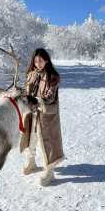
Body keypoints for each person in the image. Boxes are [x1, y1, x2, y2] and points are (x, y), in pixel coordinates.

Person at [20, 48, 64, 186]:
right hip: (31, 113)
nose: (37, 63)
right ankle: (31, 162)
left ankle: (49, 170)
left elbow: (50, 97)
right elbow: (25, 91)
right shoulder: (31, 74)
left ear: (46, 61)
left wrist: (35, 100)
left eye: (40, 61)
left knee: (46, 141)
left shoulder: (53, 77)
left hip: (46, 114)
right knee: (30, 138)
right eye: (35, 61)